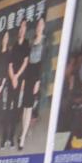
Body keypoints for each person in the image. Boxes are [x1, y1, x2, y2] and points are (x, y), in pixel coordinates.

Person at [20, 16, 46, 150]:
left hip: (35, 77)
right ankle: (23, 132)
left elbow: (43, 63)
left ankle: (22, 137)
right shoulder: (31, 41)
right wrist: (24, 79)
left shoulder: (45, 42)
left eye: (41, 24)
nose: (39, 26)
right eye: (38, 24)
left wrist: (38, 81)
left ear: (44, 26)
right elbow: (27, 62)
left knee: (29, 107)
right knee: (24, 107)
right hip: (28, 75)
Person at [7, 20, 30, 149]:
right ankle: (6, 137)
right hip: (12, 80)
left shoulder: (26, 44)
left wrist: (17, 76)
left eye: (24, 27)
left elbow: (25, 62)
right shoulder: (14, 45)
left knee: (16, 108)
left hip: (20, 80)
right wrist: (12, 77)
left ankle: (12, 136)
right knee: (9, 107)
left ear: (25, 30)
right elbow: (10, 64)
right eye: (20, 27)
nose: (22, 29)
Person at [0, 29, 12, 149]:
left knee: (5, 112)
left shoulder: (9, 53)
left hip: (5, 85)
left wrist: (1, 86)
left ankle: (5, 139)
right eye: (4, 37)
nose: (5, 39)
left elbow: (7, 70)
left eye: (7, 37)